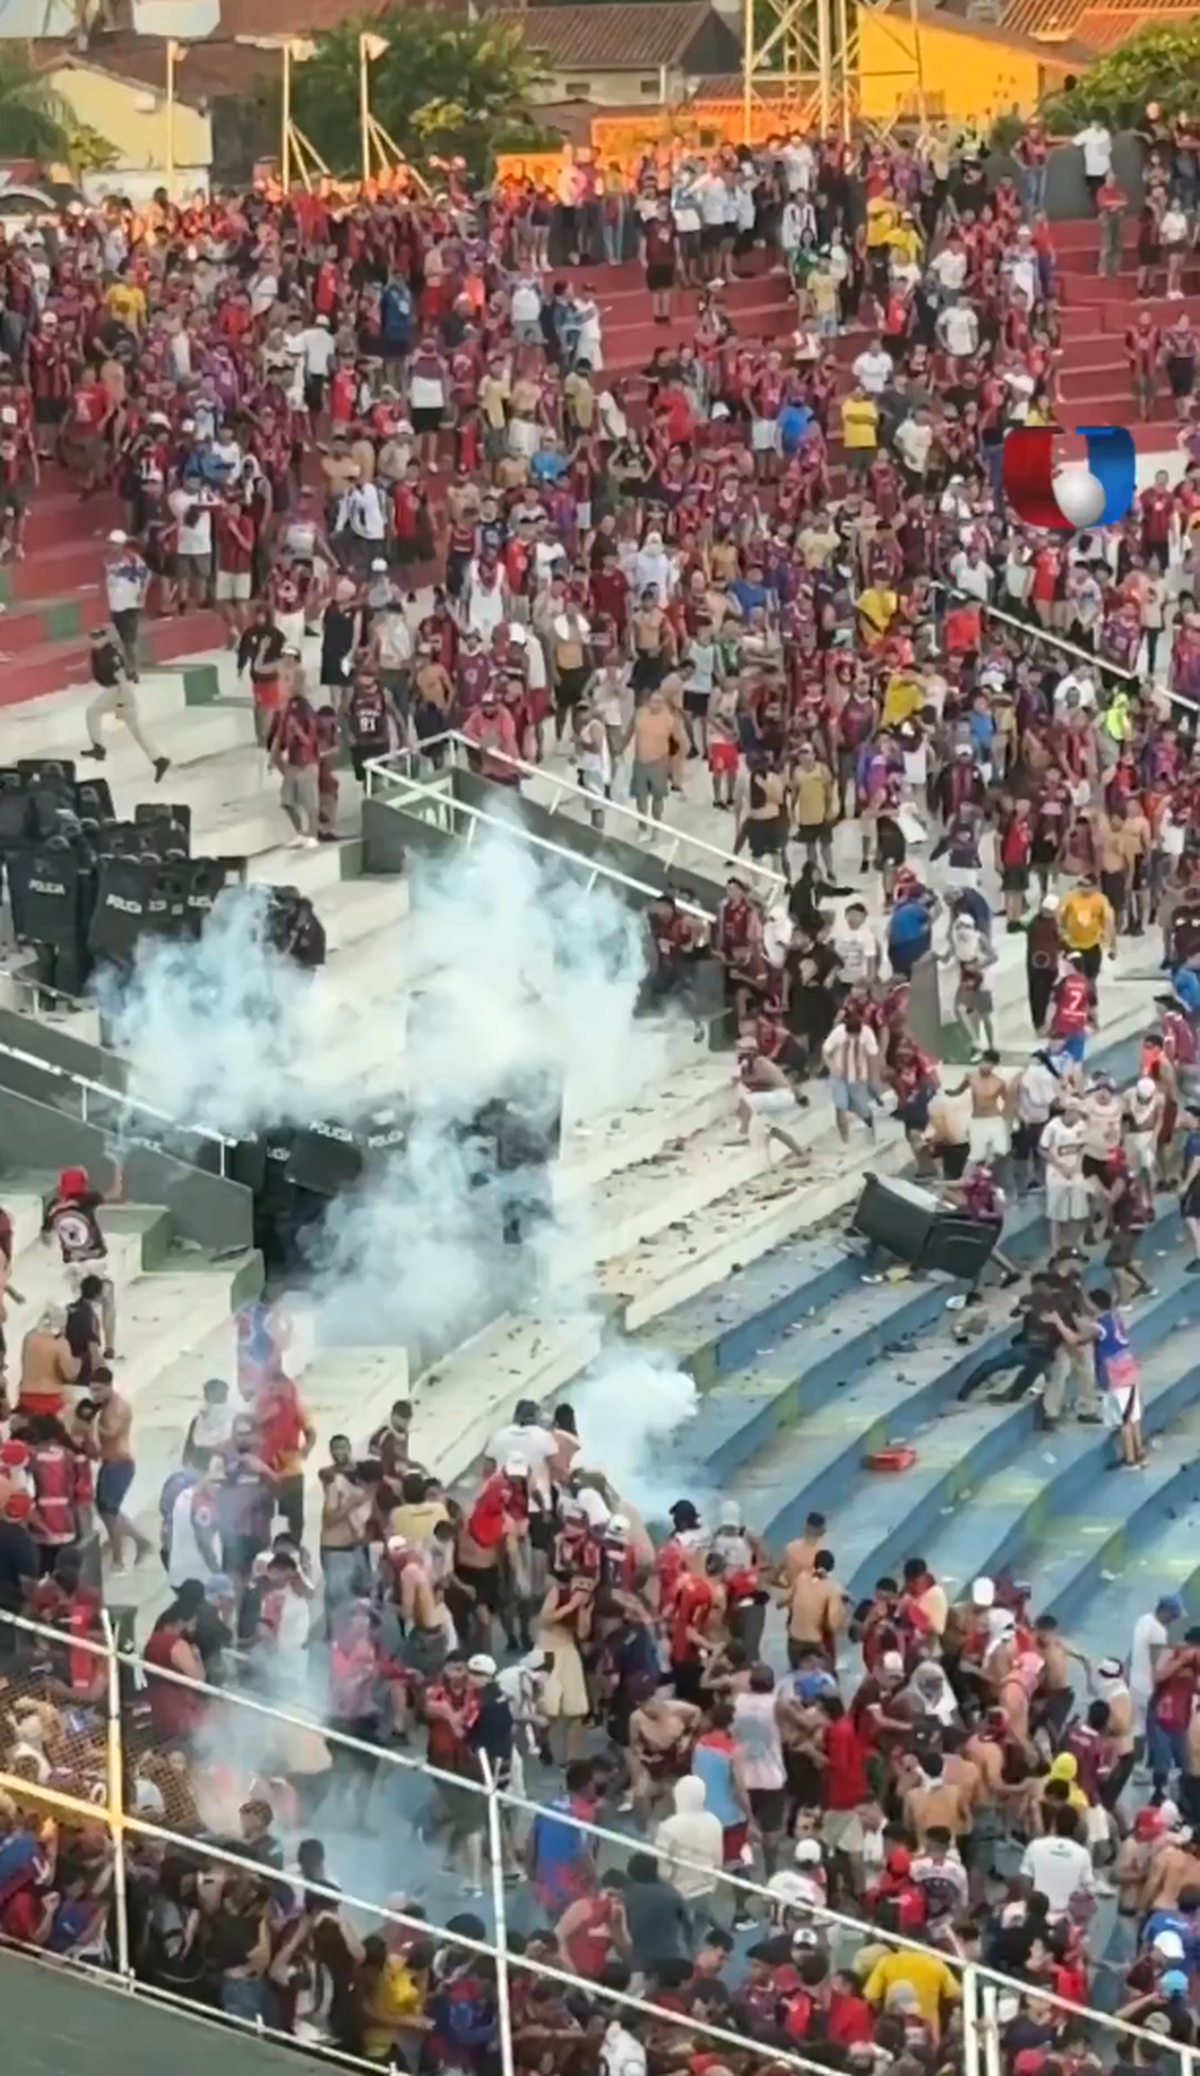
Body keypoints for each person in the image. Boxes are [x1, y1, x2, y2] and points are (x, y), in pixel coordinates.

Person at [80, 623, 169, 781]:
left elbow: (122, 679)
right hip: (118, 690)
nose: (93, 640)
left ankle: (99, 747)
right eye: (91, 636)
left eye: (97, 637)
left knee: (92, 711)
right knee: (135, 729)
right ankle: (158, 759)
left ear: (105, 638)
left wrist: (123, 702)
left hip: (121, 690)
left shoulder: (110, 654)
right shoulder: (98, 652)